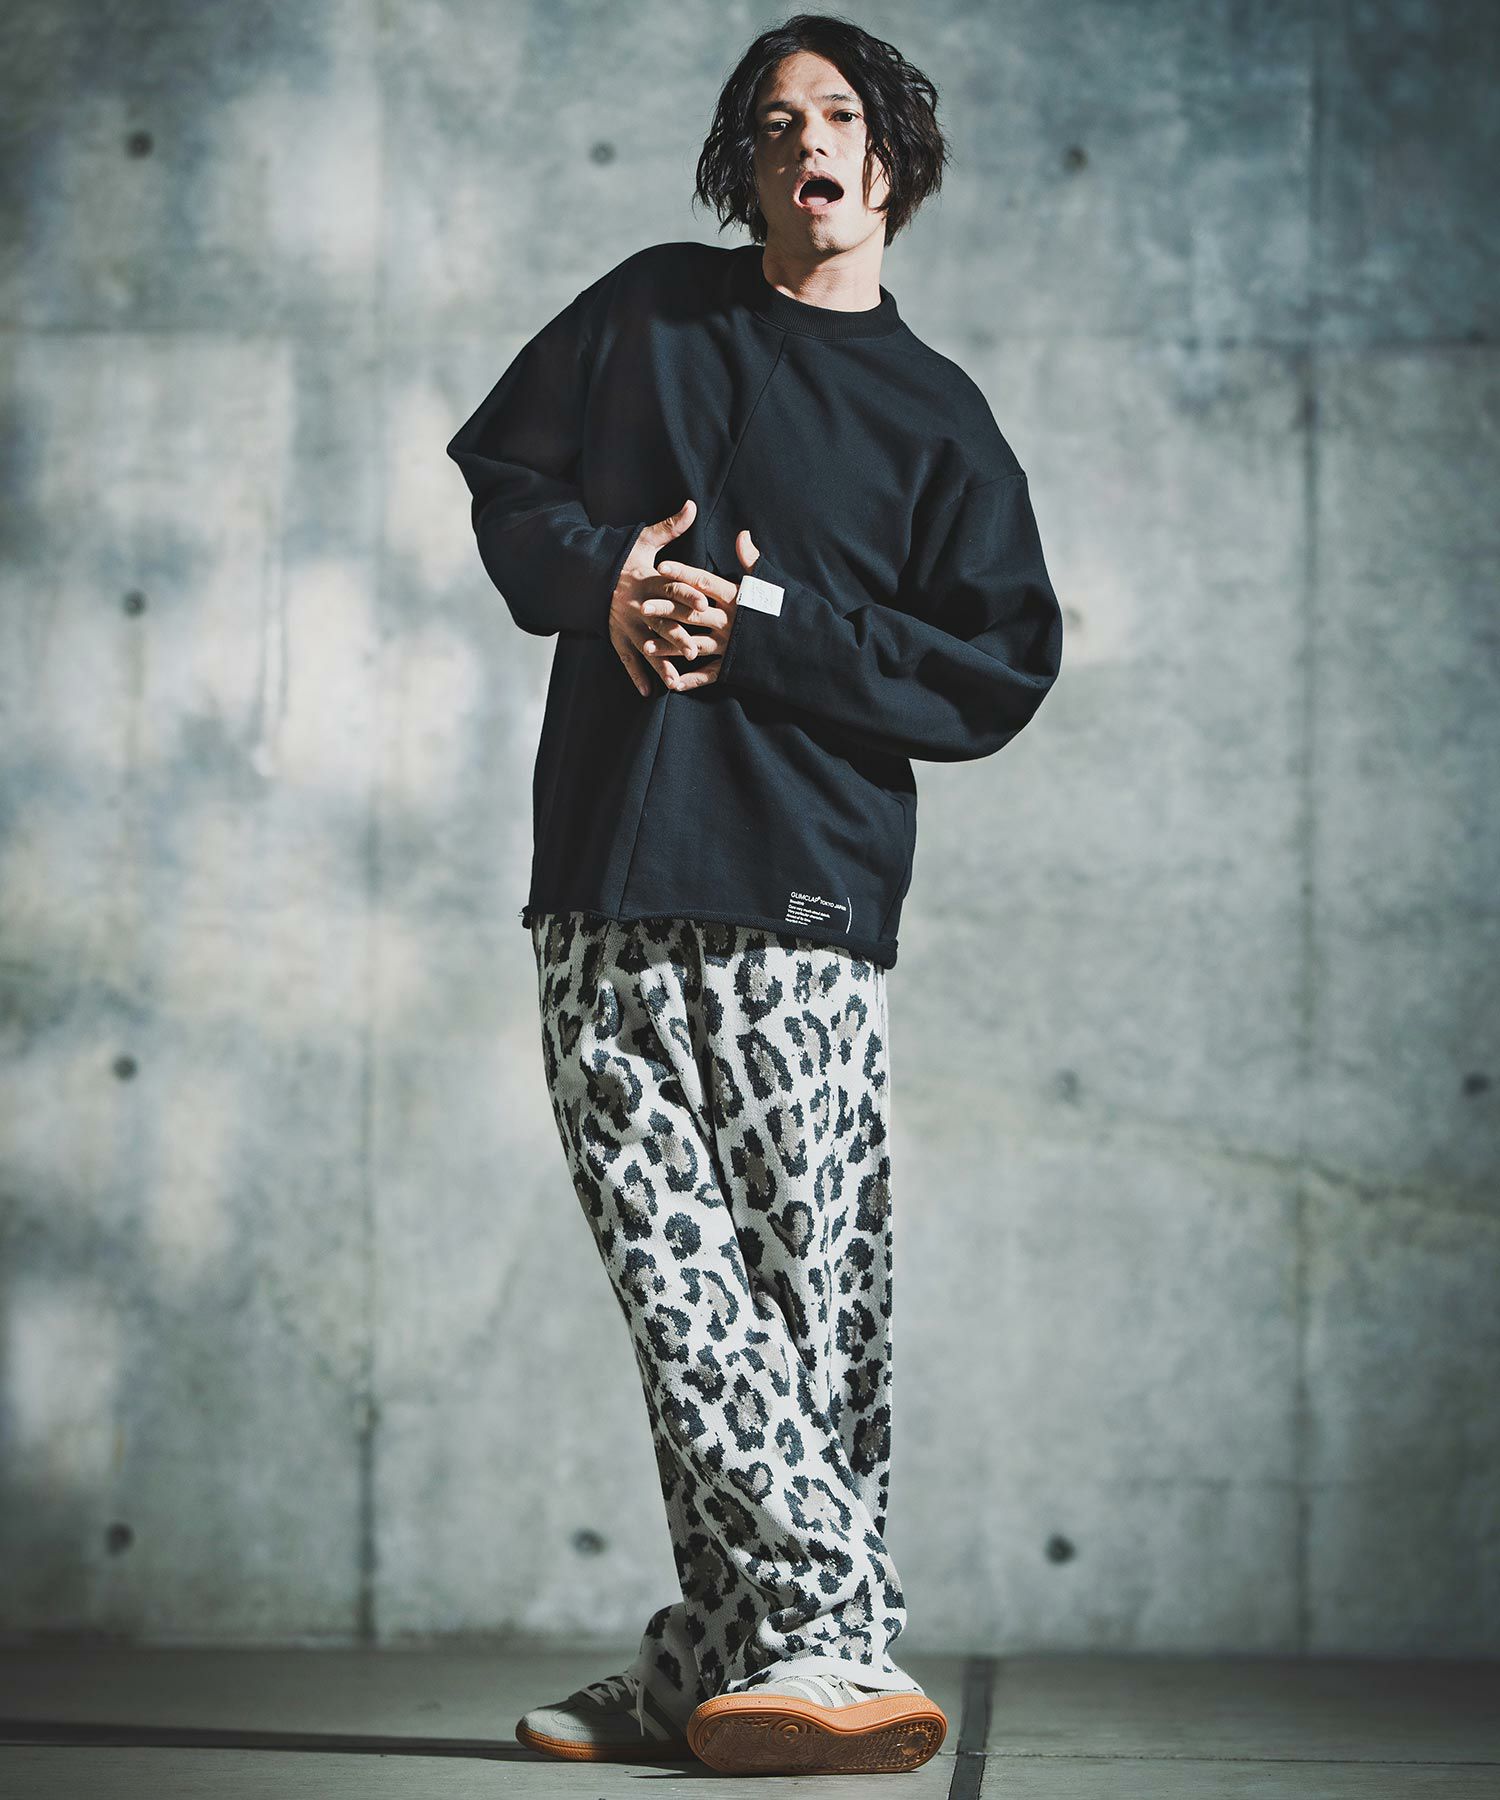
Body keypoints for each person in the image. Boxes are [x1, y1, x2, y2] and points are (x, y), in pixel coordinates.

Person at [444, 11, 1063, 1778]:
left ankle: (732, 1662)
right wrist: (607, 582)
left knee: (809, 1312)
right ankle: (808, 1640)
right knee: (680, 1296)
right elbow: (507, 480)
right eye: (775, 120)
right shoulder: (648, 309)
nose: (810, 142)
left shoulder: (939, 419)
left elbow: (996, 672)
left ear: (892, 158)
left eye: (840, 114)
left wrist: (771, 625)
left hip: (800, 898)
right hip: (602, 885)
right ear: (745, 165)